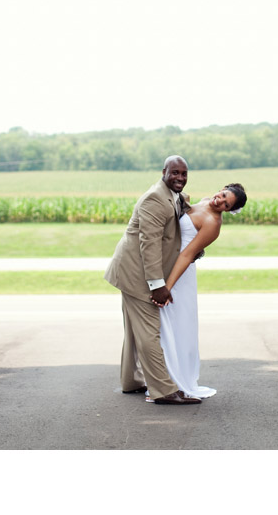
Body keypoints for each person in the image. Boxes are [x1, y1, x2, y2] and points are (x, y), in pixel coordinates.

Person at [104, 156, 201, 405]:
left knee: (135, 331)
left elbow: (174, 233)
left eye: (184, 173)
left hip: (130, 271)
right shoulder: (155, 198)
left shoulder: (175, 195)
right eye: (175, 173)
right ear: (164, 172)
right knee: (149, 332)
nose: (180, 178)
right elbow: (149, 244)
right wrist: (157, 285)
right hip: (136, 274)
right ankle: (163, 390)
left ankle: (131, 381)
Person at [153, 183, 247, 400]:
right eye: (223, 195)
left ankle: (173, 380)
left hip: (180, 274)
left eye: (226, 204)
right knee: (162, 325)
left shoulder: (213, 224)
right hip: (168, 263)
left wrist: (167, 287)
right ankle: (158, 377)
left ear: (229, 210)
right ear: (222, 189)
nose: (219, 201)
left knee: (176, 327)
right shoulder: (205, 200)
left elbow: (187, 255)